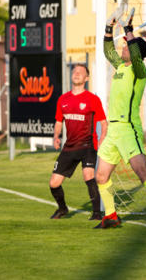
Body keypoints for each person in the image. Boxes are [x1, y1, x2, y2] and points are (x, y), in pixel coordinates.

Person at [94, 11, 146, 235]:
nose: (122, 49)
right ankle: (110, 216)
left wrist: (129, 31)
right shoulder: (120, 67)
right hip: (113, 130)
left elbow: (136, 55)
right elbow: (108, 50)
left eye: (126, 47)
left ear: (136, 51)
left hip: (129, 129)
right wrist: (109, 28)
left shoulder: (140, 71)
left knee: (142, 172)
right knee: (101, 176)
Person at [49, 64, 108, 220]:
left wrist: (102, 138)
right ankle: (62, 209)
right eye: (74, 71)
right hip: (69, 147)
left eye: (80, 72)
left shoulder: (92, 99)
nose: (76, 74)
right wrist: (56, 136)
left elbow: (104, 122)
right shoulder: (63, 99)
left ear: (86, 78)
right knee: (54, 183)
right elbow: (59, 121)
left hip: (87, 145)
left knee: (88, 175)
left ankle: (96, 214)